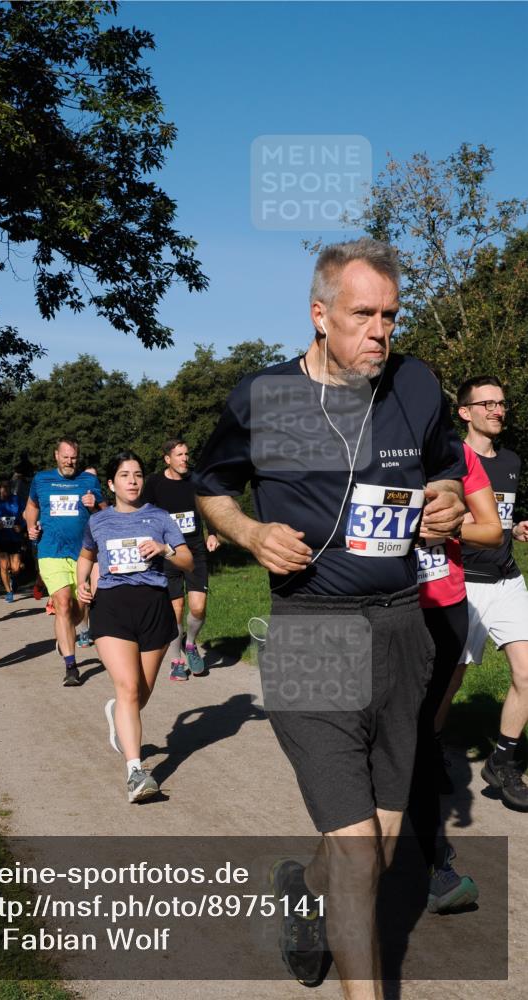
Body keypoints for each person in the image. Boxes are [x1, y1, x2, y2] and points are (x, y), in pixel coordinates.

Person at [195, 238, 466, 995]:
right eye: (362, 315)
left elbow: (445, 470)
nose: (380, 331)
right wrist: (249, 532)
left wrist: (443, 500)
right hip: (311, 628)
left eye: (390, 316)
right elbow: (212, 488)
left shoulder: (416, 384)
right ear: (320, 316)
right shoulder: (265, 396)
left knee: (373, 848)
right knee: (355, 853)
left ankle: (301, 893)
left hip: (402, 628)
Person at [409, 437, 500, 913]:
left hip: (445, 607)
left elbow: (492, 531)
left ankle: (429, 860)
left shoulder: (455, 454)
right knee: (376, 733)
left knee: (421, 732)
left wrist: (450, 521)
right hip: (381, 608)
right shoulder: (363, 442)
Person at [77, 451, 193, 801]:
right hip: (111, 607)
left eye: (138, 474)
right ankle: (135, 772)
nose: (133, 480)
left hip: (153, 607)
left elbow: (187, 559)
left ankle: (117, 713)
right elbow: (86, 556)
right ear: (111, 484)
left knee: (139, 694)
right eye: (124, 475)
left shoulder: (159, 518)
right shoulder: (98, 521)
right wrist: (82, 582)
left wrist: (165, 550)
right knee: (127, 687)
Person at [435, 376, 528, 809]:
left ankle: (503, 762)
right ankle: (428, 750)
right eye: (486, 403)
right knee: (449, 680)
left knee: (527, 674)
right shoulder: (450, 460)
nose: (497, 410)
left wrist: (514, 528)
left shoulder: (511, 459)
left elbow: (501, 518)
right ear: (464, 412)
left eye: (501, 403)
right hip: (463, 582)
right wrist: (482, 533)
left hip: (508, 580)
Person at [25, 437, 105, 686]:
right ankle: (71, 666)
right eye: (65, 456)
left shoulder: (89, 481)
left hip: (82, 553)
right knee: (62, 602)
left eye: (74, 457)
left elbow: (107, 513)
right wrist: (30, 526)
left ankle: (65, 633)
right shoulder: (41, 479)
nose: (70, 461)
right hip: (51, 551)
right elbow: (31, 506)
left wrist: (94, 507)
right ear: (56, 456)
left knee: (80, 609)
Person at [141, 439, 220, 680]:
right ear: (168, 459)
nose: (185, 459)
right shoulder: (154, 483)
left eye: (186, 454)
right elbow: (144, 512)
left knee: (198, 607)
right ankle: (176, 661)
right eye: (179, 455)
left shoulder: (196, 480)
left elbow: (209, 507)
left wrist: (213, 532)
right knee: (176, 610)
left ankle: (191, 644)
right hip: (167, 552)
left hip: (194, 550)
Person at [0, 479, 25, 602]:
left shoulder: (17, 500)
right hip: (1, 538)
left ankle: (14, 579)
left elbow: (25, 516)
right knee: (4, 565)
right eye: (4, 486)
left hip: (15, 538)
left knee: (16, 568)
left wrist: (22, 526)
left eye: (8, 487)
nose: (6, 489)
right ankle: (8, 592)